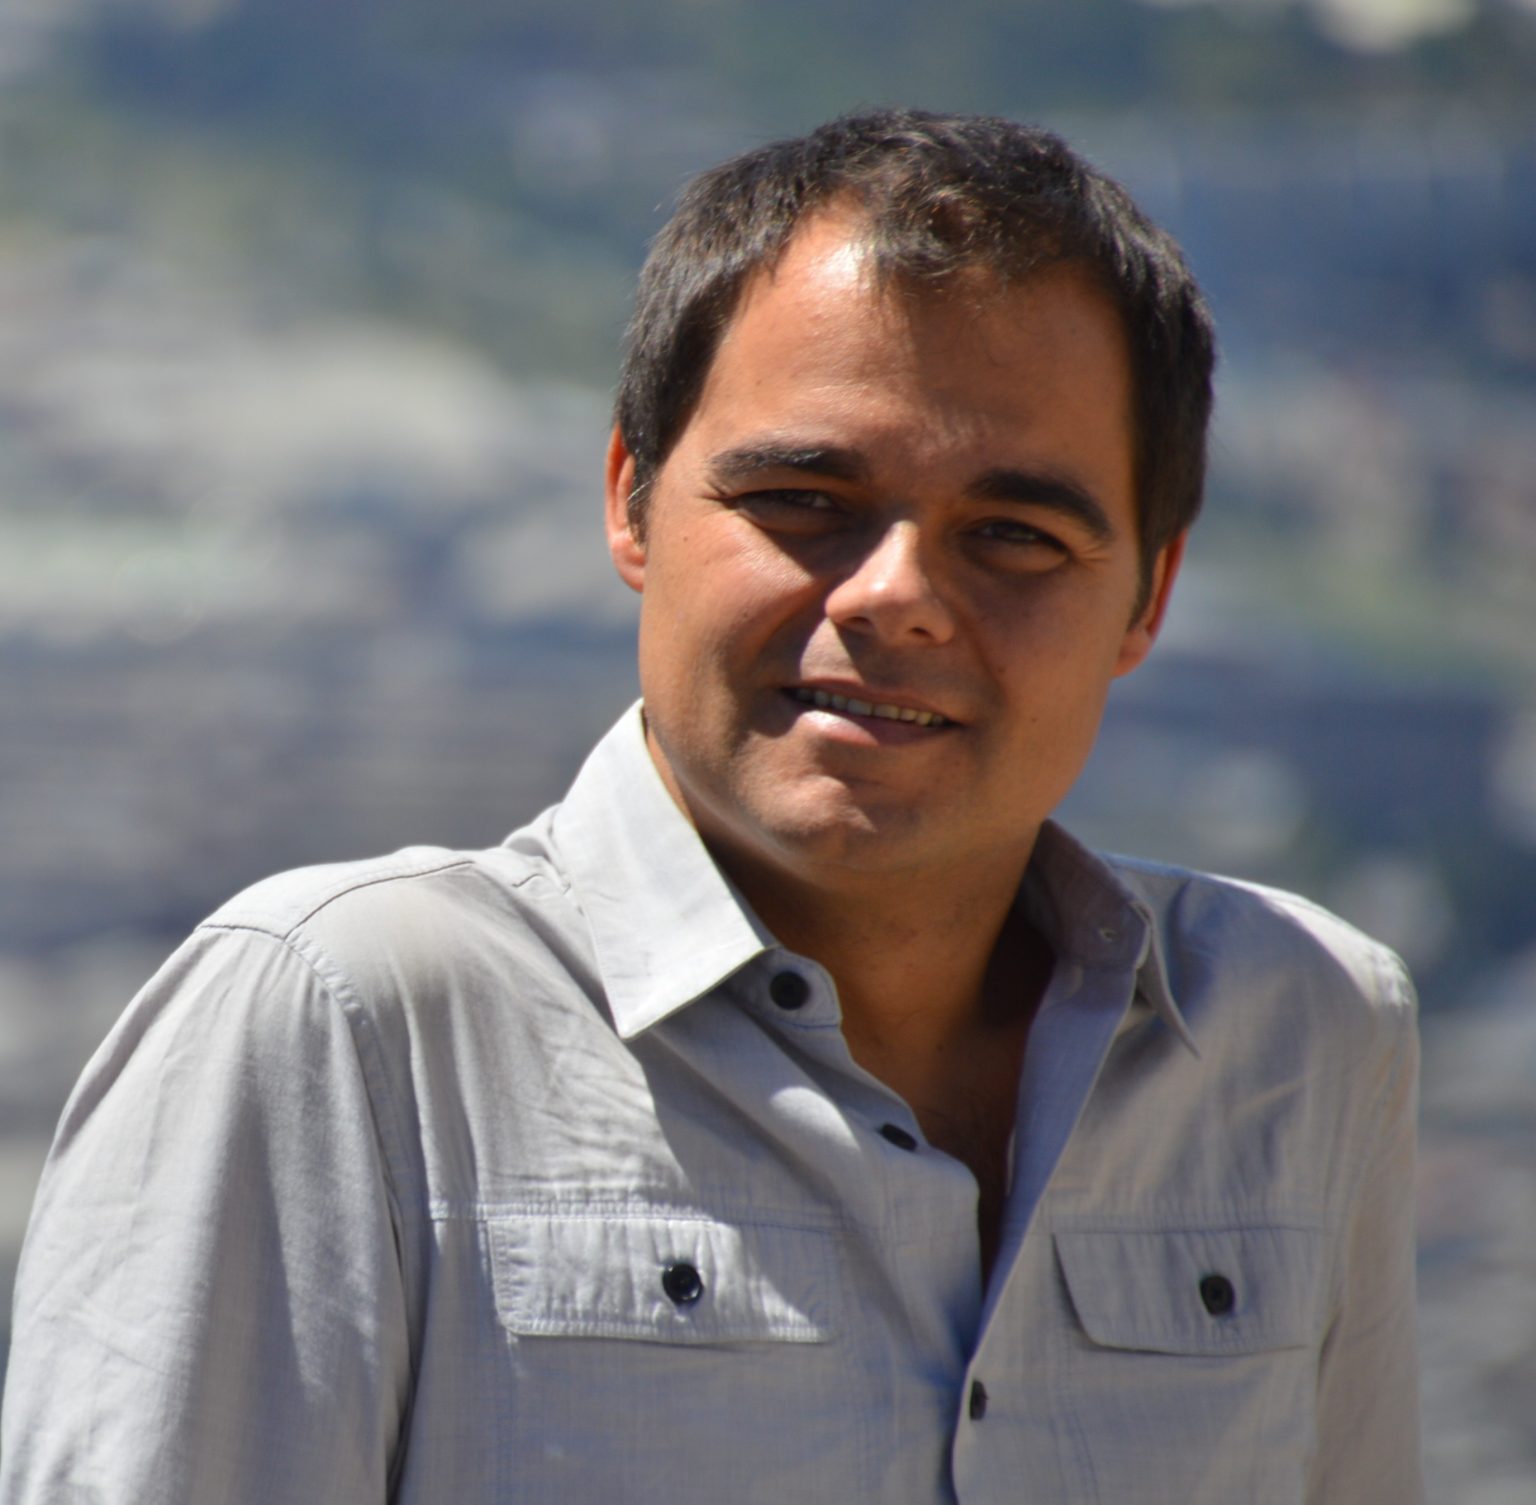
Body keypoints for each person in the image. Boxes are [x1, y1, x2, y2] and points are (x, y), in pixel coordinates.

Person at [0, 109, 1421, 1504]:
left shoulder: (1300, 1032)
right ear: (633, 500)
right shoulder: (350, 1026)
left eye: (1012, 533)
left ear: (1149, 596)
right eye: (804, 498)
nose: (897, 597)